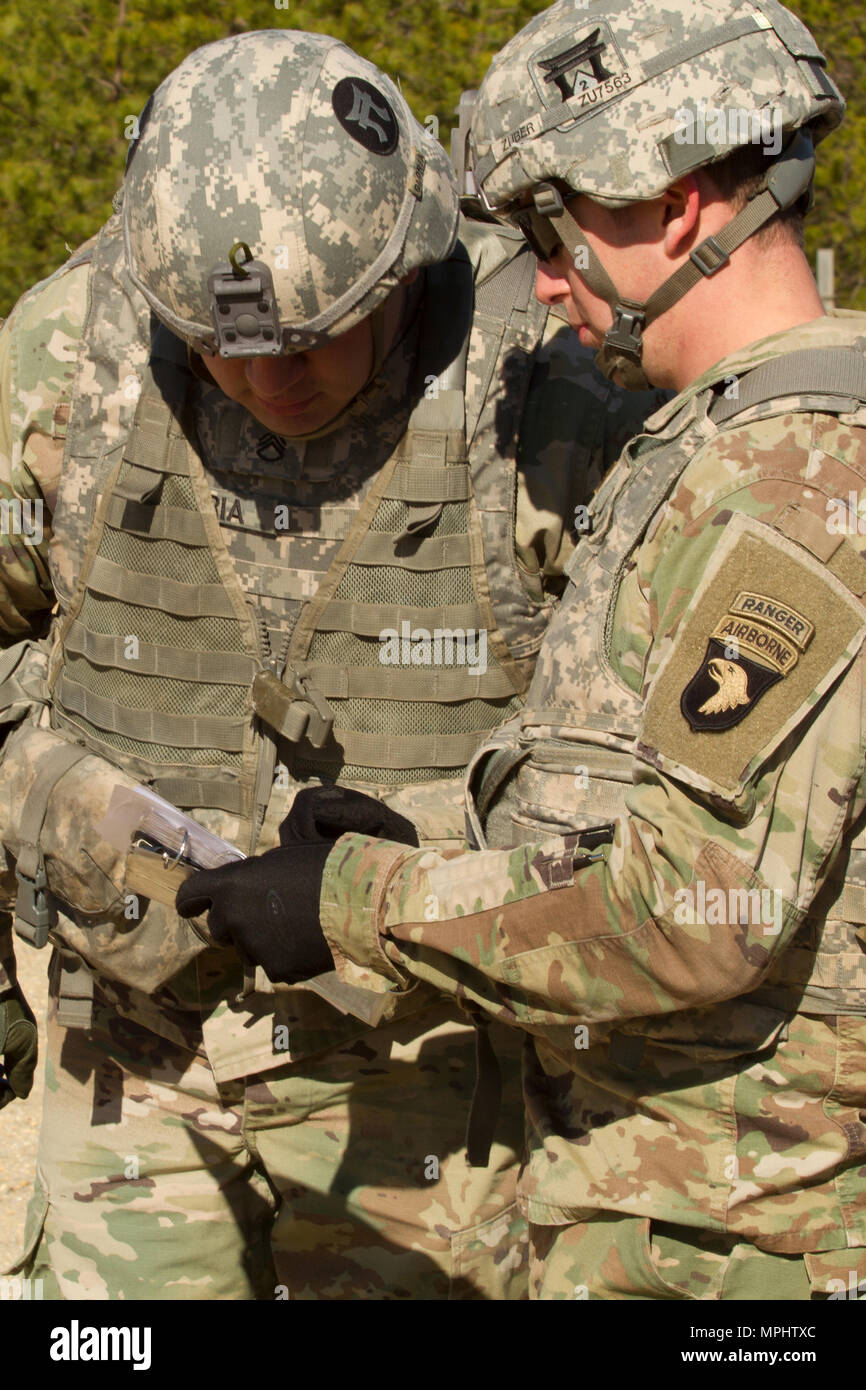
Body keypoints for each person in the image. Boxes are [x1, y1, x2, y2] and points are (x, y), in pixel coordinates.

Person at [188, 0, 866, 1299]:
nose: (546, 282)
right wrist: (446, 860)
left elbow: (687, 915)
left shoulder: (797, 479)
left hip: (748, 1247)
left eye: (557, 230)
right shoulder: (739, 435)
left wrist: (348, 907)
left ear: (676, 203)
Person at [0, 29, 660, 1299]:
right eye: (220, 343)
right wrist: (57, 798)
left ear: (410, 267)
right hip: (129, 1057)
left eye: (318, 335)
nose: (269, 377)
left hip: (424, 1080)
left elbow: (648, 782)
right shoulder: (67, 364)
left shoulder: (545, 391)